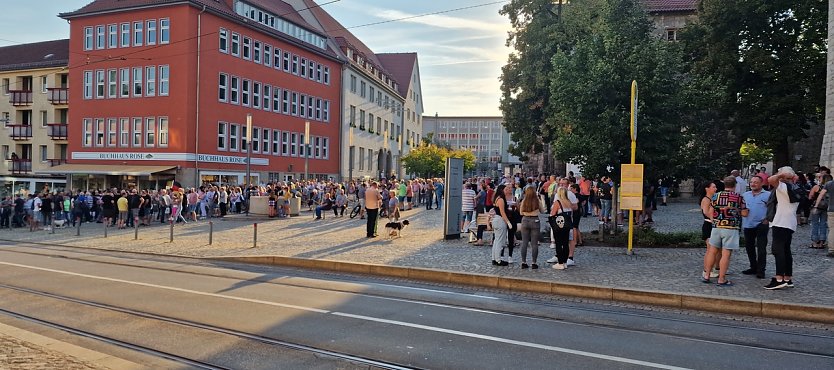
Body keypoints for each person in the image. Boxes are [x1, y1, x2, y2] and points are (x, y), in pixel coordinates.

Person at [702, 177, 747, 286]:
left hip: (717, 227)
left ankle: (707, 275)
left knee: (712, 251)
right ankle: (721, 279)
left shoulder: (716, 196)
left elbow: (710, 211)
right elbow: (745, 213)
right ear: (735, 185)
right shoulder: (738, 197)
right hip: (731, 228)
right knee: (726, 254)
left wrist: (715, 221)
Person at [765, 167, 799, 289]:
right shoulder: (796, 188)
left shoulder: (784, 187)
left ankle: (779, 278)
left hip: (781, 222)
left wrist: (781, 175)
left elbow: (770, 179)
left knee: (777, 250)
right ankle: (788, 278)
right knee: (786, 251)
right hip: (790, 222)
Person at [741, 176, 770, 279]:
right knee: (749, 247)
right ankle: (753, 266)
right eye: (751, 182)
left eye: (756, 182)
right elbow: (741, 207)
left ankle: (761, 270)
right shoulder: (745, 195)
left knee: (761, 248)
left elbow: (773, 208)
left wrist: (767, 219)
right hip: (748, 224)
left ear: (761, 184)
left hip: (761, 224)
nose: (753, 184)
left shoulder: (768, 195)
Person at [518, 186, 544, 269]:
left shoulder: (524, 201)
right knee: (534, 243)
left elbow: (521, 212)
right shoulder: (537, 200)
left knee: (524, 242)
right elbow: (543, 211)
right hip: (535, 220)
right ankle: (534, 262)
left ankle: (523, 262)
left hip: (525, 220)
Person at [549, 187, 575, 270]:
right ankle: (565, 262)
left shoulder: (558, 202)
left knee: (559, 244)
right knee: (565, 243)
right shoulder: (569, 202)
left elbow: (552, 214)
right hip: (567, 225)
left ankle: (560, 263)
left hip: (559, 225)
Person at [813, 174, 834, 258]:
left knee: (832, 230)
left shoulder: (829, 184)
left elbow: (821, 194)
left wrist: (816, 206)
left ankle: (832, 250)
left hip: (831, 210)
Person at [808, 174, 830, 249]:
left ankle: (814, 241)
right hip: (826, 207)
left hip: (817, 207)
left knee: (815, 224)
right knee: (823, 224)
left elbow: (810, 196)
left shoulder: (816, 187)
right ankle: (822, 241)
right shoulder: (830, 187)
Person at [491, 184, 511, 266]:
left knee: (496, 240)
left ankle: (494, 258)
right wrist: (508, 222)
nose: (507, 191)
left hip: (496, 219)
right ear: (502, 190)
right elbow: (502, 212)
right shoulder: (501, 200)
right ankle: (498, 259)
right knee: (500, 241)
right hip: (500, 220)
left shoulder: (496, 198)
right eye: (505, 189)